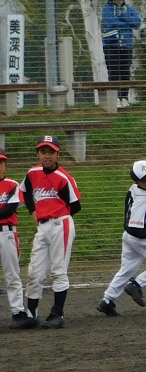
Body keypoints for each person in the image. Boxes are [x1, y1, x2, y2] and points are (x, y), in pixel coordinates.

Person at [17, 135, 81, 329]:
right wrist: (34, 211)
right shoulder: (32, 173)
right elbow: (25, 191)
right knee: (35, 271)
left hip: (61, 224)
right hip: (42, 227)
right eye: (43, 151)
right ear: (37, 154)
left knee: (58, 270)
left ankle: (57, 314)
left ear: (57, 153)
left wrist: (57, 214)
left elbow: (75, 205)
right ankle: (31, 314)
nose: (47, 156)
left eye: (51, 152)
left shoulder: (64, 177)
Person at [96, 160, 146, 316]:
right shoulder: (143, 199)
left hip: (129, 238)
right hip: (139, 239)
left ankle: (107, 301)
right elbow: (133, 225)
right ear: (138, 181)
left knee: (126, 270)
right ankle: (136, 284)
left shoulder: (134, 189)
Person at [100, 0, 142, 108]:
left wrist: (123, 17)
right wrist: (126, 23)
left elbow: (137, 22)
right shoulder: (107, 8)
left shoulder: (129, 9)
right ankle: (115, 98)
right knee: (113, 72)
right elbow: (110, 23)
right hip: (111, 45)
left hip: (126, 45)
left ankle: (124, 97)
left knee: (125, 72)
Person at [0, 152, 25, 325]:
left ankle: (18, 312)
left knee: (12, 274)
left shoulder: (12, 185)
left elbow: (9, 210)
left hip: (6, 233)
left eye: (1, 162)